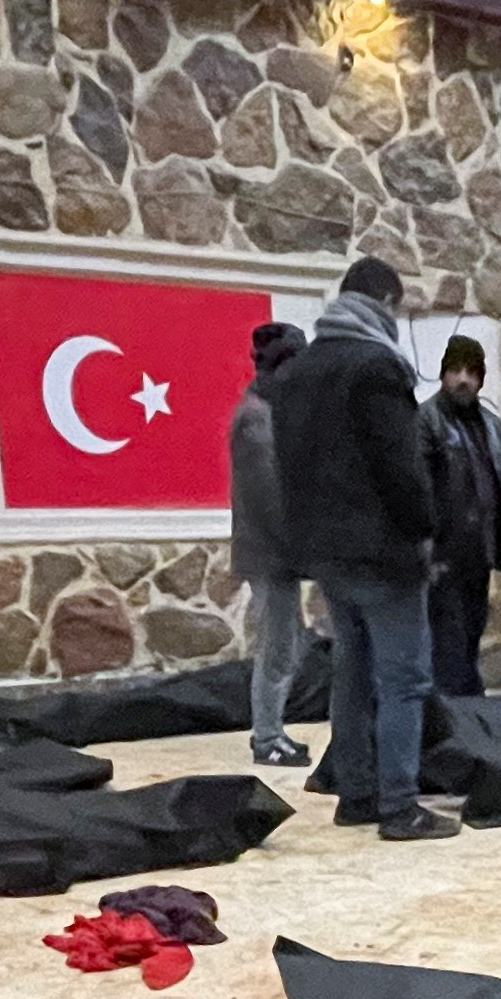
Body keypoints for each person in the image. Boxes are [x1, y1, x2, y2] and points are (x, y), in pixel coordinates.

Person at [272, 256, 452, 840]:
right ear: (385, 303)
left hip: (326, 553)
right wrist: (425, 532)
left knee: (351, 671)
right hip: (382, 553)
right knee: (403, 680)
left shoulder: (300, 370)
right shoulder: (377, 366)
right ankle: (399, 808)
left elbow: (288, 468)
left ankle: (355, 796)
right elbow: (399, 467)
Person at [230, 321, 311, 768]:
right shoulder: (257, 419)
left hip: (278, 554)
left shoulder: (270, 412)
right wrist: (302, 548)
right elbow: (267, 498)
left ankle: (272, 730)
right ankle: (266, 738)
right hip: (270, 554)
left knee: (289, 643)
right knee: (278, 647)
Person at [423, 335, 501, 698]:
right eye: (455, 370)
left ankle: (468, 708)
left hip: (479, 553)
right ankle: (456, 713)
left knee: (470, 635)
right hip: (443, 555)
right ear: (443, 374)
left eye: (471, 372)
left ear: (480, 378)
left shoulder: (492, 425)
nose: (463, 379)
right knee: (447, 644)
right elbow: (417, 491)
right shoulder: (426, 420)